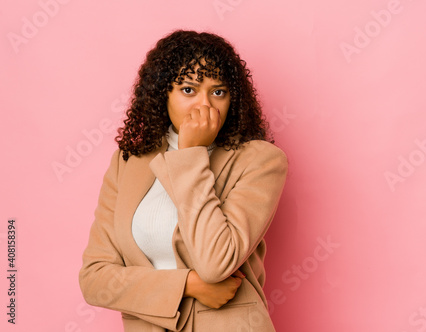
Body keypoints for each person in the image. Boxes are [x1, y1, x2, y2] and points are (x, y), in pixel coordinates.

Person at [78, 30, 288, 332]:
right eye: (189, 90)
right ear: (162, 93)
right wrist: (186, 285)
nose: (205, 106)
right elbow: (94, 280)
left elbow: (215, 262)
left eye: (218, 92)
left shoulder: (260, 161)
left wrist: (191, 154)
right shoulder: (128, 162)